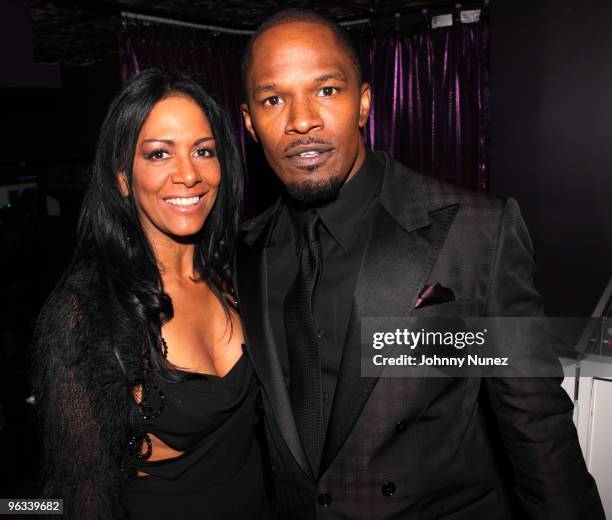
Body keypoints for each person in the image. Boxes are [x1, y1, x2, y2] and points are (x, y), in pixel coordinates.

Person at [236, 9, 605, 519]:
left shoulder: (476, 234)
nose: (301, 121)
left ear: (364, 103)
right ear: (250, 123)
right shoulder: (240, 254)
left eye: (326, 90)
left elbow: (538, 429)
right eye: (273, 99)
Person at [31, 69, 269, 519]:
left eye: (203, 151)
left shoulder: (238, 271)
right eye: (159, 154)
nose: (188, 174)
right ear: (123, 176)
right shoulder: (87, 313)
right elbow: (77, 495)